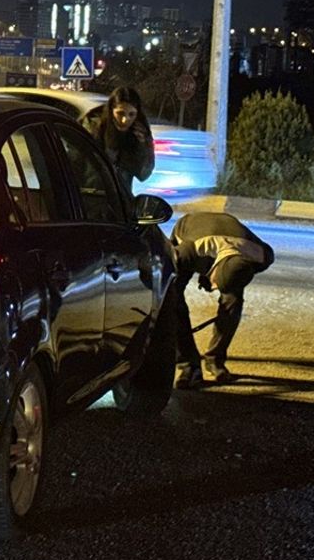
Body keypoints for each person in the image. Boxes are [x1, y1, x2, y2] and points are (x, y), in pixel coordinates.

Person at [169, 212, 275, 388]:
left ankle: (215, 360)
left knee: (233, 300)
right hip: (192, 227)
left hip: (229, 246)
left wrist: (220, 280)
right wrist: (206, 273)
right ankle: (188, 364)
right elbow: (164, 275)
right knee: (172, 298)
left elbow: (239, 273)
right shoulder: (188, 251)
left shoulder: (263, 255)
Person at [84, 87, 155, 202]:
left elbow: (144, 174)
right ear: (111, 110)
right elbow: (76, 162)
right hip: (89, 198)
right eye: (120, 113)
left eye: (131, 114)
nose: (124, 120)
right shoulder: (94, 127)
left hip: (119, 202)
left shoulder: (139, 133)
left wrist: (141, 146)